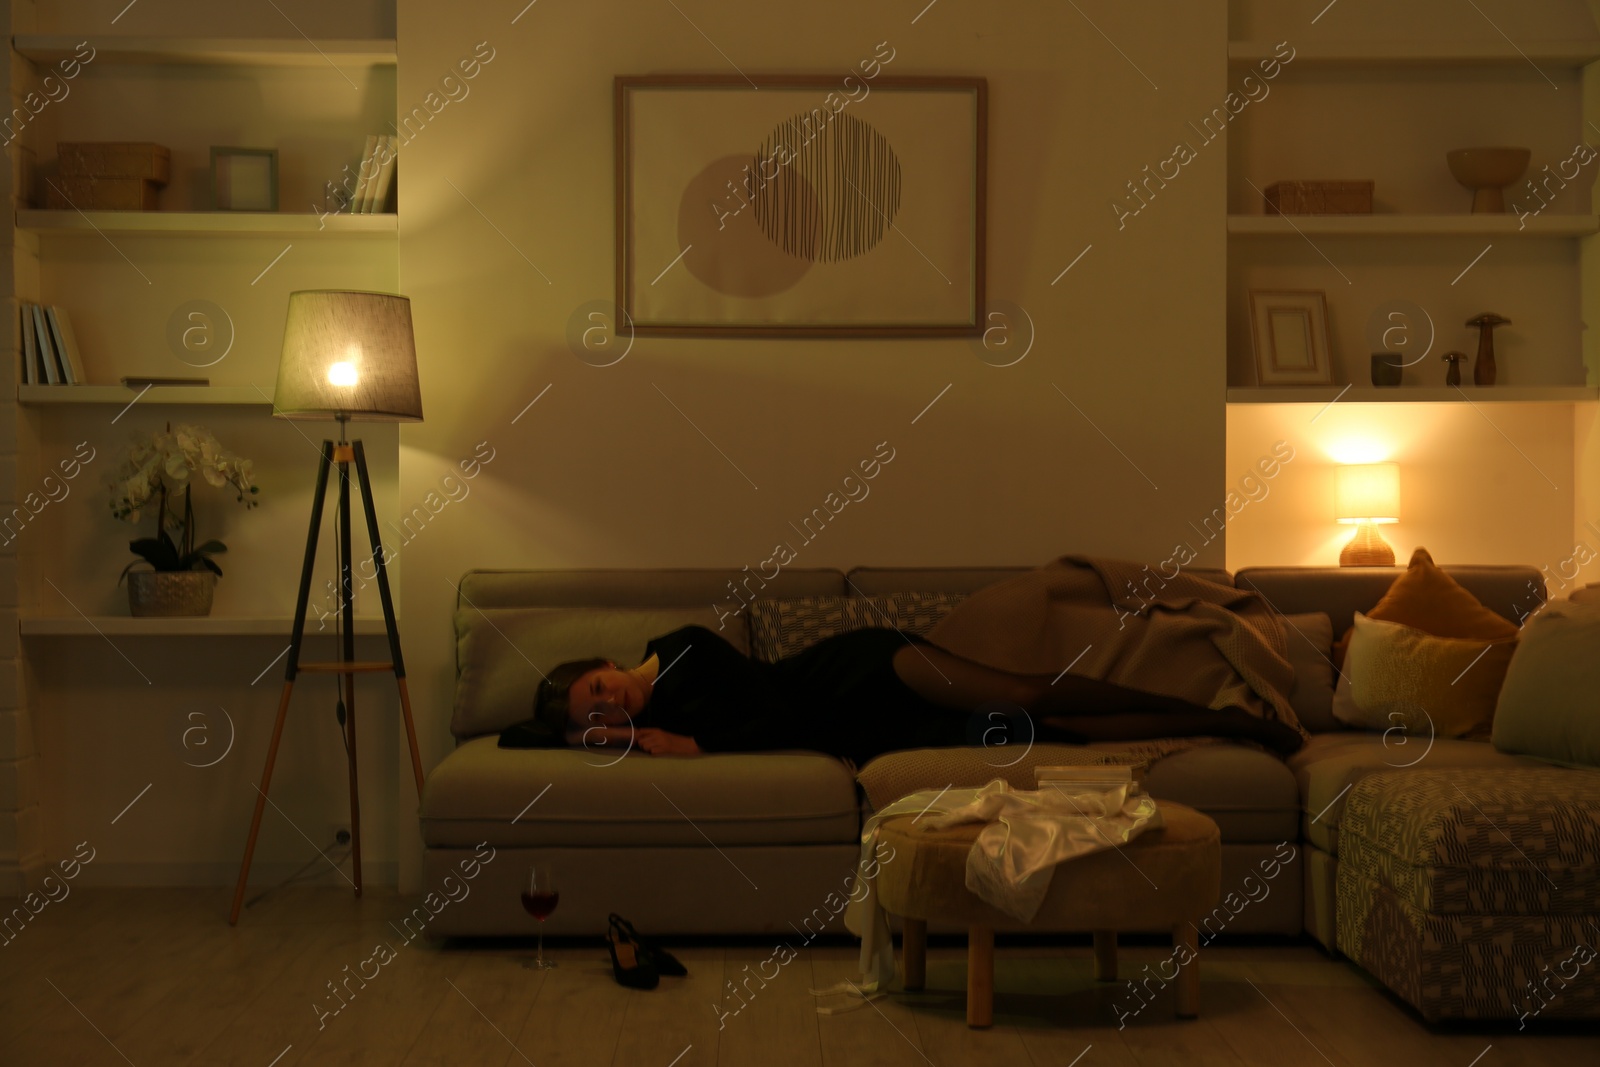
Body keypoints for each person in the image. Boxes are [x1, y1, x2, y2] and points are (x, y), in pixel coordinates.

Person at [499, 624, 1304, 761]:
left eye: (598, 687)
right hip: (871, 728)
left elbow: (774, 712)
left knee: (1028, 691)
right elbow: (521, 737)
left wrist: (696, 744)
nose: (610, 705)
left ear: (605, 660)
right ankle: (1227, 726)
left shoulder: (677, 651)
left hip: (862, 670)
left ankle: (1218, 716)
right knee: (1055, 734)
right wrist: (591, 735)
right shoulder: (658, 723)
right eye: (596, 712)